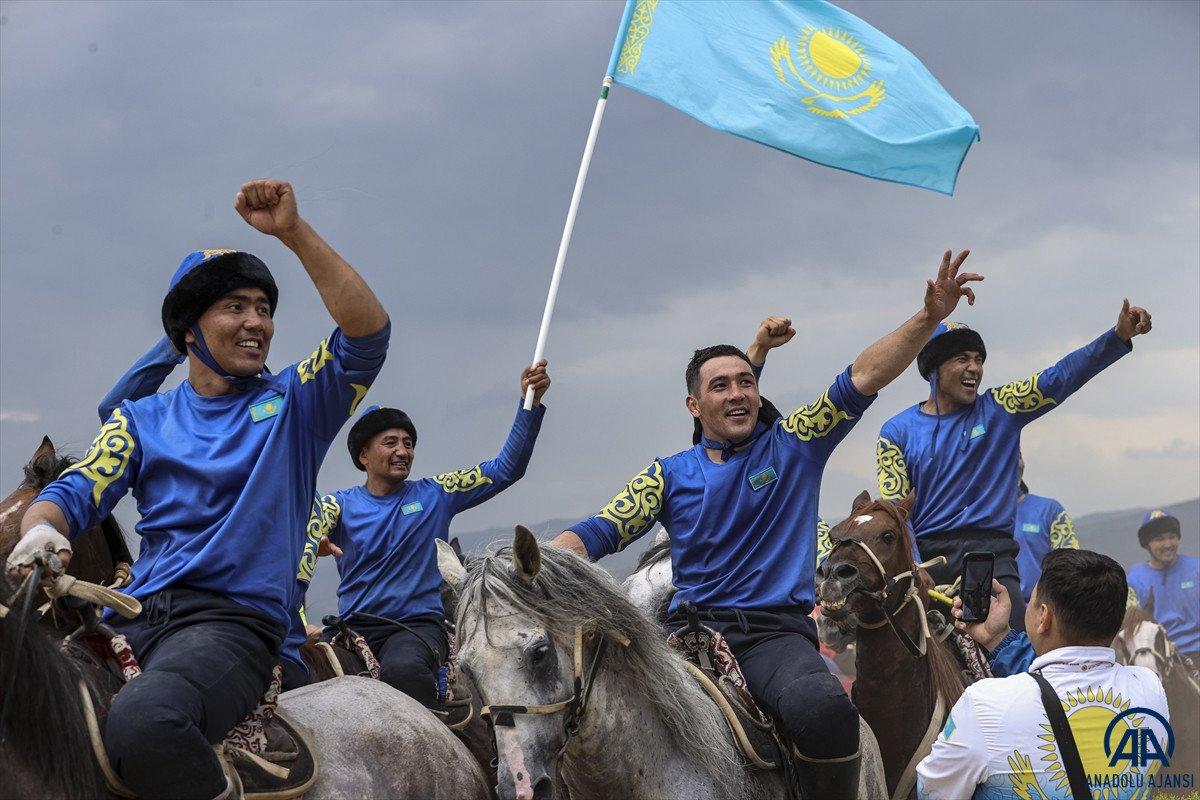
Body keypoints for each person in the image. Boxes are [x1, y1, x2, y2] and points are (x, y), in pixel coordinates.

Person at [6, 179, 390, 800]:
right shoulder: (141, 419)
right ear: (190, 332)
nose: (256, 322)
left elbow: (367, 335)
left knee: (146, 727)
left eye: (264, 308)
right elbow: (74, 491)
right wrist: (42, 529)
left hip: (232, 626)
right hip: (133, 616)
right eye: (234, 306)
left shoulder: (294, 403)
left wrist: (292, 232)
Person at [550, 249, 984, 798]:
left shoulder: (795, 444)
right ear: (693, 404)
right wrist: (540, 565)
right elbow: (595, 533)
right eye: (720, 386)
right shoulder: (666, 475)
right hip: (680, 637)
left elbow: (863, 377)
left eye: (745, 382)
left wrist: (928, 317)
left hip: (772, 639)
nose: (737, 393)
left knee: (824, 710)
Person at [876, 299, 1153, 631]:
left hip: (992, 558)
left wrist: (1117, 337)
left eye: (979, 360)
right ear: (934, 368)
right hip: (929, 562)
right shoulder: (895, 432)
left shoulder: (1002, 407)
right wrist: (917, 566)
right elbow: (896, 512)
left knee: (1018, 658)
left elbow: (1059, 378)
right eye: (962, 358)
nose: (974, 368)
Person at [310, 361, 550, 708]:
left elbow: (505, 468)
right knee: (301, 673)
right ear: (363, 455)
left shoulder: (436, 493)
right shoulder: (338, 505)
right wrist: (311, 543)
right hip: (351, 629)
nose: (403, 451)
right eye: (390, 442)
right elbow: (301, 530)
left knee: (403, 671)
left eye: (408, 443)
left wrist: (531, 403)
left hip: (415, 629)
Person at [95, 338, 319, 691]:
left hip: (253, 632)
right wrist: (174, 343)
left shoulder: (284, 422)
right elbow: (114, 413)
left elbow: (296, 577)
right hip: (156, 615)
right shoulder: (170, 427)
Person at [918, 549, 1170, 800]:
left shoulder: (983, 704)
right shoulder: (1150, 688)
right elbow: (1061, 680)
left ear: (1043, 616)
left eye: (1033, 601)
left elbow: (933, 792)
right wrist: (998, 638)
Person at [1127, 510, 1200, 665]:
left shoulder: (1196, 568)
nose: (1168, 544)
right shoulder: (1135, 579)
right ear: (1147, 544)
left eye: (1172, 537)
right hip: (1161, 657)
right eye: (1159, 539)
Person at [1012, 453, 1078, 602]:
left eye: (1019, 455)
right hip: (994, 611)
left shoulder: (1051, 511)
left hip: (1040, 610)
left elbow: (1070, 567)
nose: (1017, 462)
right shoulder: (980, 516)